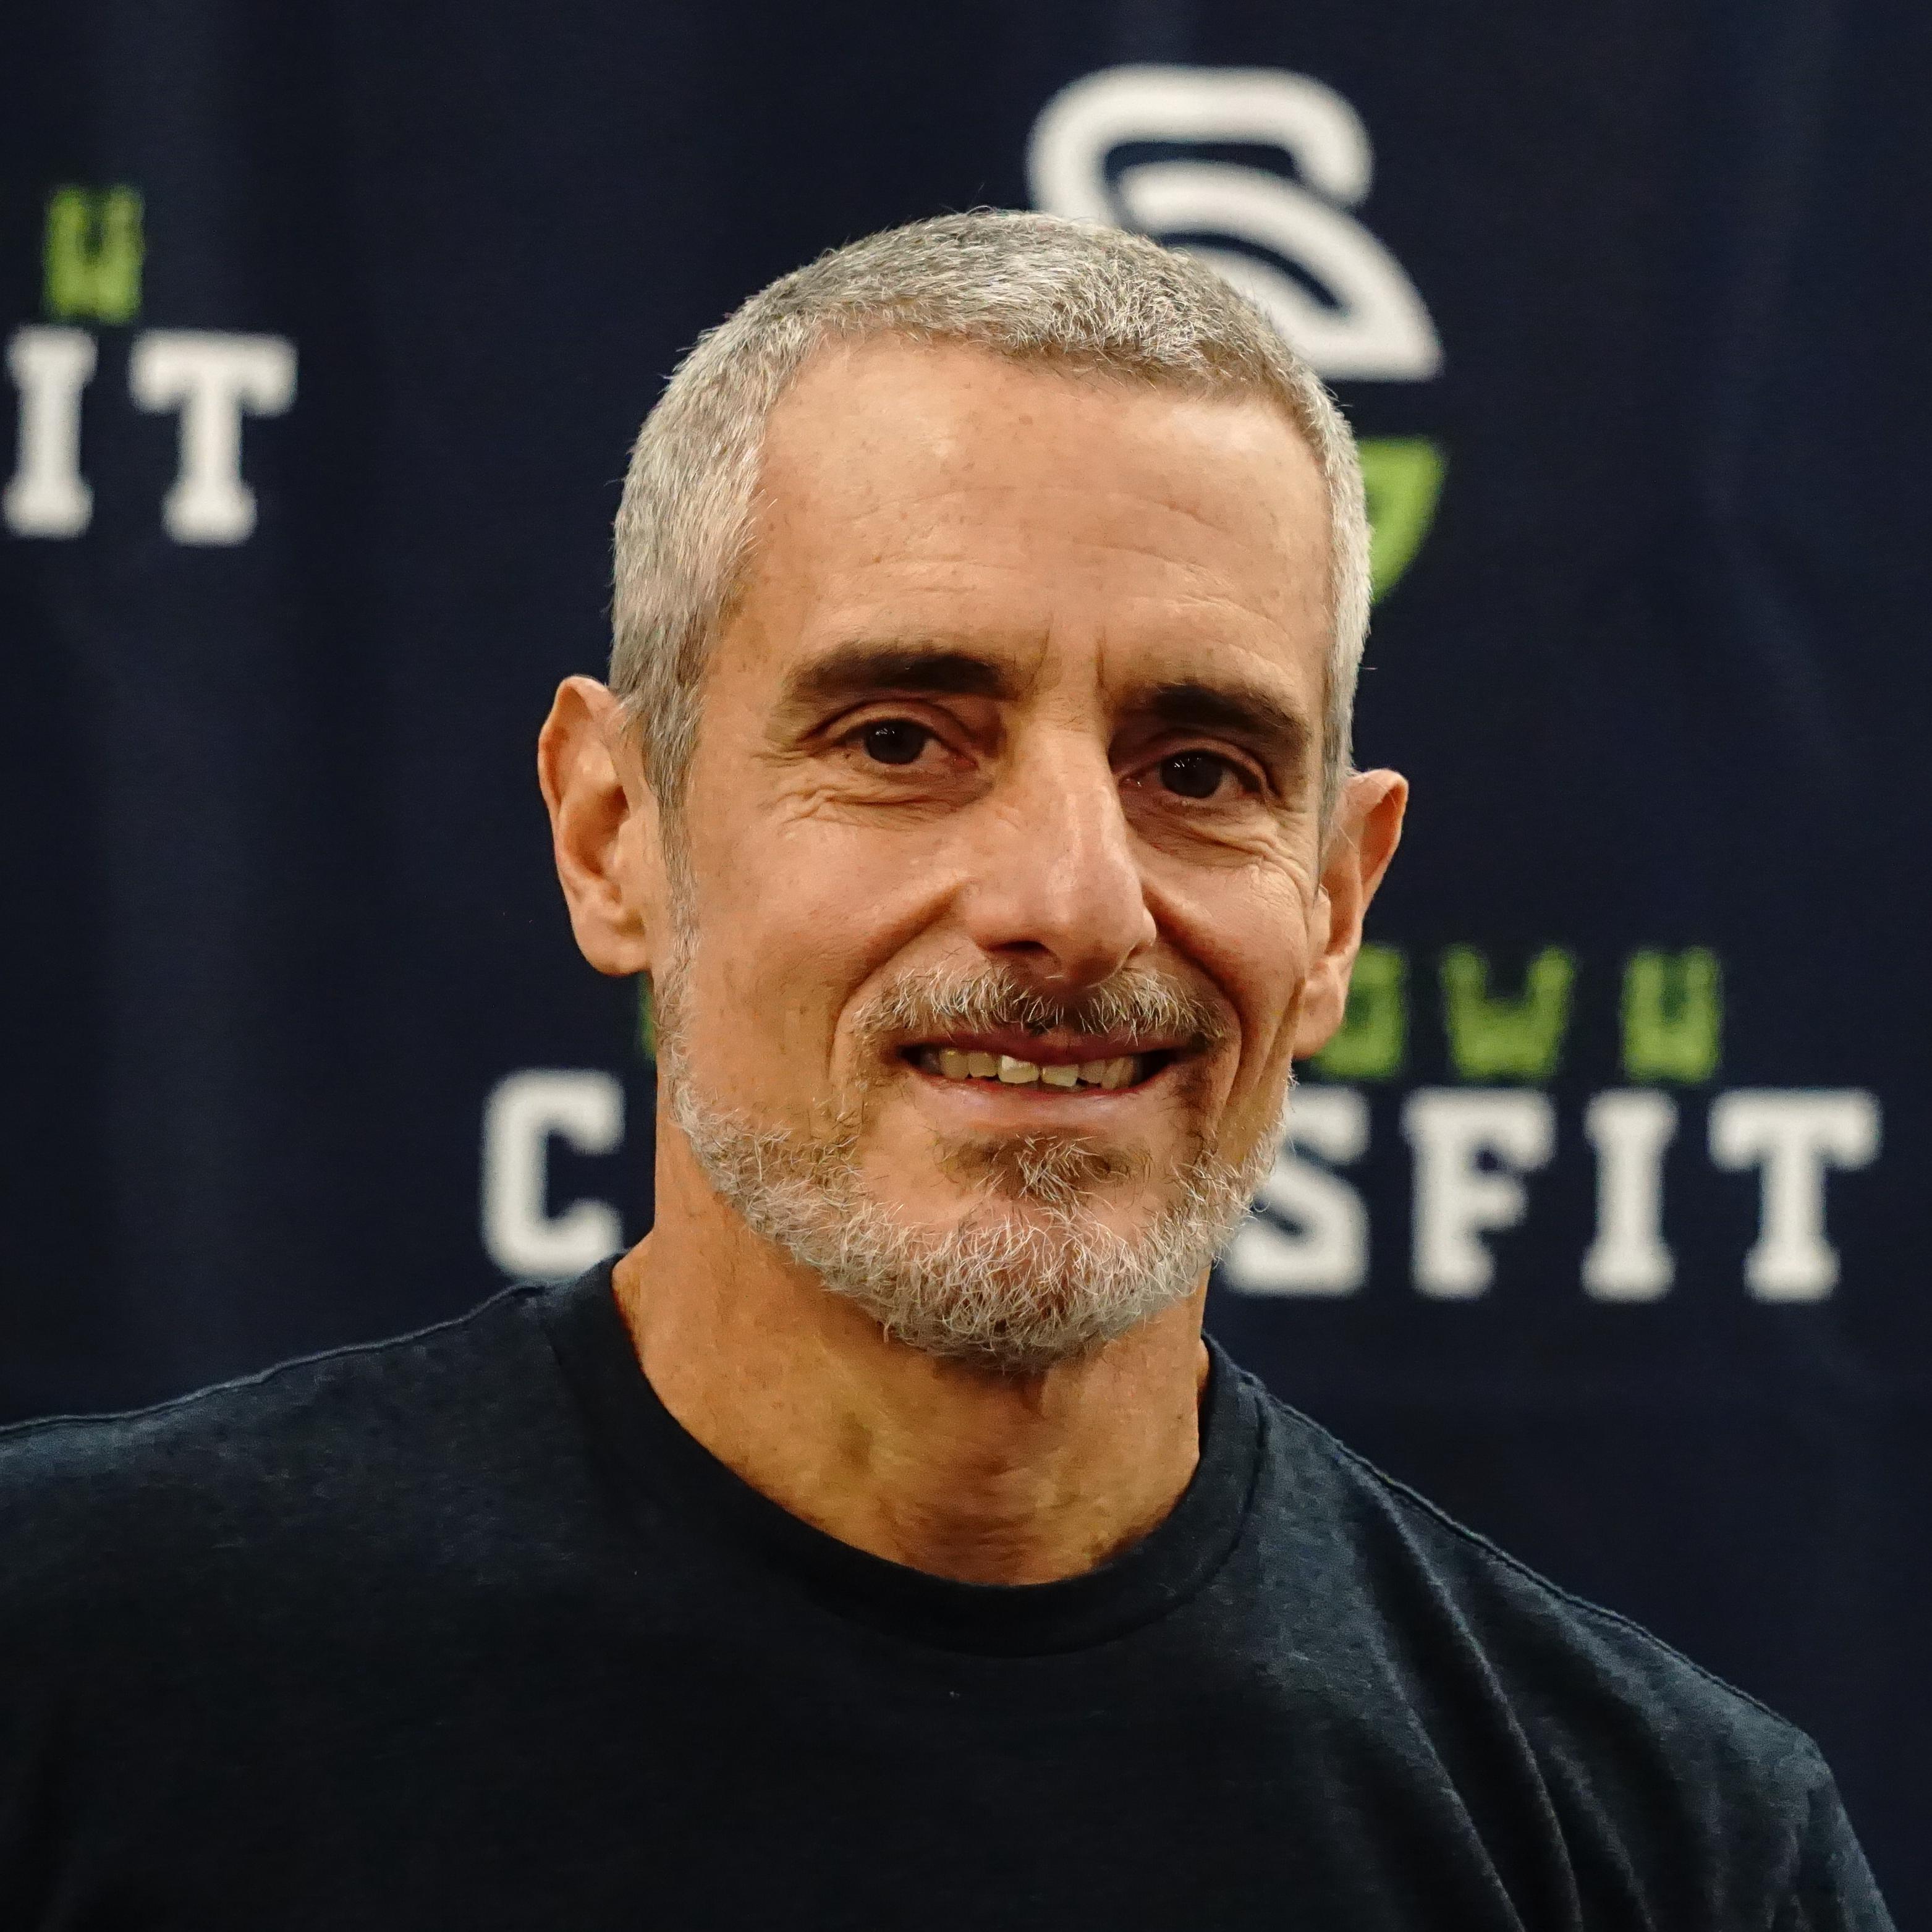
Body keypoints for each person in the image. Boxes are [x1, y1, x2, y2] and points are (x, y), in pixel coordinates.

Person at [0, 212, 1892, 1930]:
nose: (1072, 904)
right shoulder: (73, 1666)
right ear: (613, 832)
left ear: (1332, 907)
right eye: (902, 739)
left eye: (1202, 771)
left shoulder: (1670, 1853)